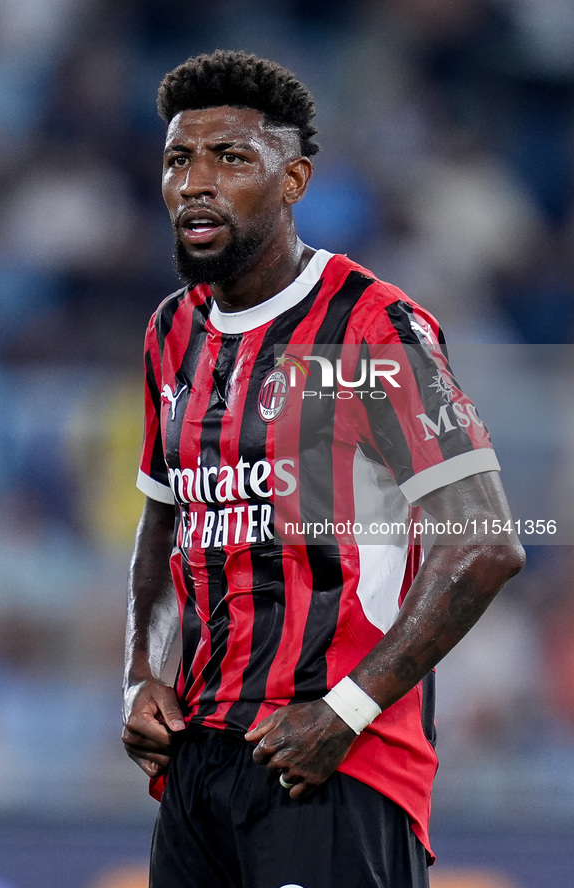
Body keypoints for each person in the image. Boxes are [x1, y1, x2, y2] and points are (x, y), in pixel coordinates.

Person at [122, 49, 525, 888]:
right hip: (198, 767)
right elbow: (163, 525)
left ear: (293, 180)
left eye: (230, 158)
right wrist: (141, 677)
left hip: (333, 761)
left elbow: (482, 543)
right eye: (177, 160)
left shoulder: (373, 326)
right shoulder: (171, 332)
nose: (195, 182)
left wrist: (344, 712)